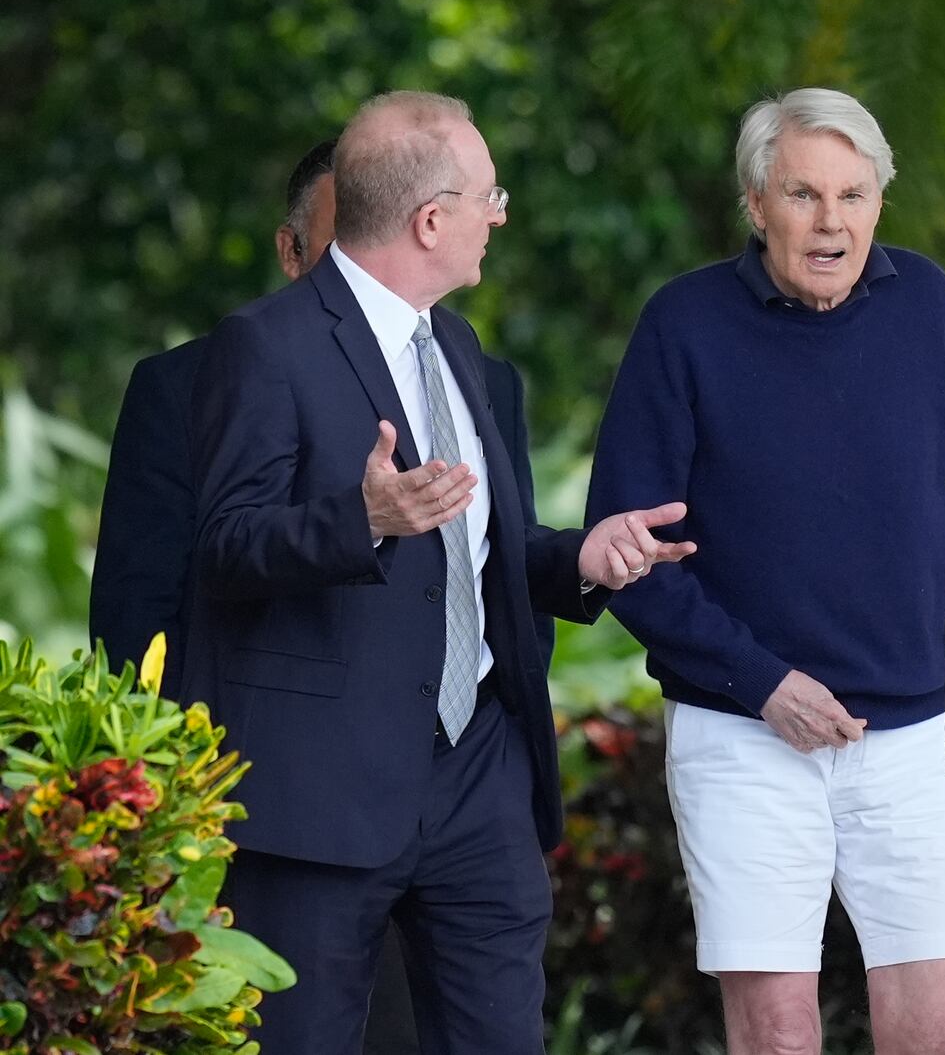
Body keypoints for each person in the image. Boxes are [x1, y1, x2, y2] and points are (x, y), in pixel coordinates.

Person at [184, 90, 692, 1054]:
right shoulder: (266, 344)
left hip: (480, 780)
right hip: (323, 793)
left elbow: (474, 548)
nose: (499, 216)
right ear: (430, 220)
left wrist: (578, 558)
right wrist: (360, 519)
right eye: (490, 197)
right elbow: (223, 546)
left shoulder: (455, 346)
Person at [585, 88, 945, 1055]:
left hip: (914, 738)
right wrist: (763, 682)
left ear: (879, 203)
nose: (832, 222)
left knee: (944, 1029)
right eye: (805, 195)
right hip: (744, 734)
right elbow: (630, 557)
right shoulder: (682, 324)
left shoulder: (927, 303)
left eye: (854, 195)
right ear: (755, 203)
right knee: (775, 1037)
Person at [91, 139, 337, 677]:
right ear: (291, 252)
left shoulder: (483, 384)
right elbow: (136, 610)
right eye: (344, 244)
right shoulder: (180, 387)